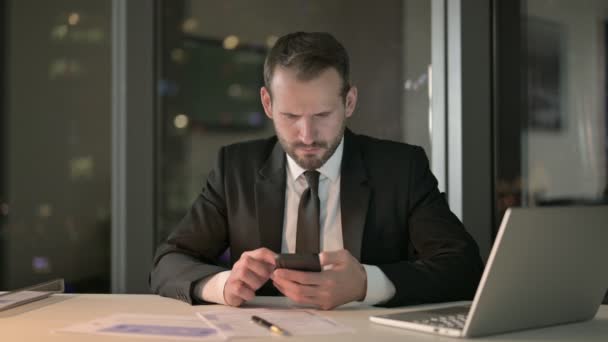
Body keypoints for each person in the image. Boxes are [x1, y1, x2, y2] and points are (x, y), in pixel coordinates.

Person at [150, 31, 483, 309]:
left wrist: (367, 283)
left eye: (322, 115)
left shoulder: (401, 168)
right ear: (267, 104)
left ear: (349, 102)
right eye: (291, 117)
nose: (307, 136)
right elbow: (168, 262)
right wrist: (223, 284)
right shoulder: (234, 168)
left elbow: (463, 269)